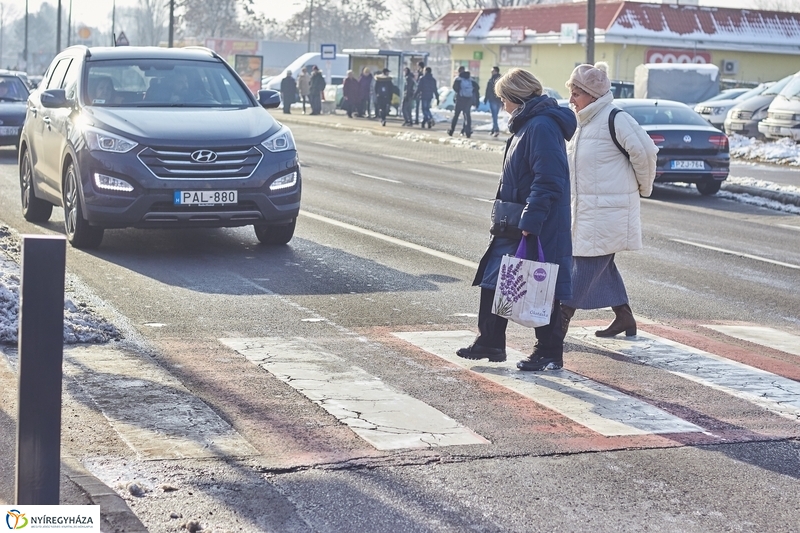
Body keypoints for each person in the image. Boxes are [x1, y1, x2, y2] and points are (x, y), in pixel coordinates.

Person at [456, 68, 577, 372]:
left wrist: (531, 220)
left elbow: (548, 179)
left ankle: (548, 351)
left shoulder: (540, 127)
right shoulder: (528, 124)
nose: (502, 106)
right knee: (494, 279)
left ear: (515, 98)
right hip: (515, 219)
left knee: (539, 286)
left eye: (503, 99)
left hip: (534, 223)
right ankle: (491, 342)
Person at [560, 63, 659, 338]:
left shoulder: (616, 118)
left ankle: (559, 320)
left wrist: (643, 187)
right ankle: (624, 317)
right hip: (586, 209)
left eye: (576, 94)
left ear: (592, 95)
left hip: (609, 210)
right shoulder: (583, 123)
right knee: (599, 263)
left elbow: (646, 152)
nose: (571, 100)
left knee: (585, 264)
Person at [448, 66, 479, 138]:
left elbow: (455, 88)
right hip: (468, 99)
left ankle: (452, 130)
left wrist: (459, 92)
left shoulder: (458, 79)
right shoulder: (471, 79)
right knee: (467, 116)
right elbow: (477, 88)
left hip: (460, 99)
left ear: (459, 71)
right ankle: (468, 131)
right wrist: (475, 100)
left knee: (456, 116)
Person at [484, 66, 503, 137]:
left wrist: (486, 99)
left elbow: (488, 90)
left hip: (493, 100)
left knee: (494, 116)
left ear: (496, 71)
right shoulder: (502, 79)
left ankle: (496, 130)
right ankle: (493, 129)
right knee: (495, 115)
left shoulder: (491, 79)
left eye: (492, 71)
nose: (491, 72)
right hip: (500, 100)